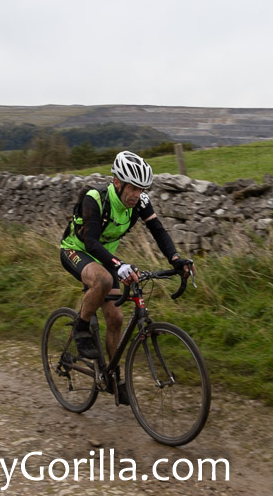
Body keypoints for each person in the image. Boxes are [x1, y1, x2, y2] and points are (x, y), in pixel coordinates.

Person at [60, 151, 194, 401]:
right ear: (117, 182)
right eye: (133, 188)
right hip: (76, 250)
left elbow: (158, 230)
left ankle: (113, 376)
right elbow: (90, 242)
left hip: (105, 257)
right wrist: (118, 264)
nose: (137, 194)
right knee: (103, 280)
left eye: (142, 189)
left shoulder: (140, 202)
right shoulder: (95, 199)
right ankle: (81, 327)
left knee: (116, 318)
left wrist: (175, 259)